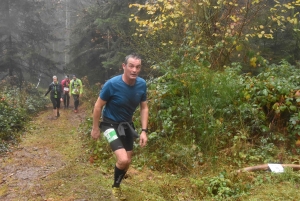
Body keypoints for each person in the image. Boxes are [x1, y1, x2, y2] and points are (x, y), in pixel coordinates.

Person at [91, 53, 148, 201]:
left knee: (127, 162)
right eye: (131, 66)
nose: (134, 70)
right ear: (124, 66)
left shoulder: (142, 84)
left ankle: (118, 178)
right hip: (109, 124)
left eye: (137, 67)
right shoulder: (112, 84)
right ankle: (115, 189)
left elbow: (144, 108)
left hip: (127, 125)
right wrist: (95, 128)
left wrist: (144, 131)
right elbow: (98, 106)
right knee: (123, 160)